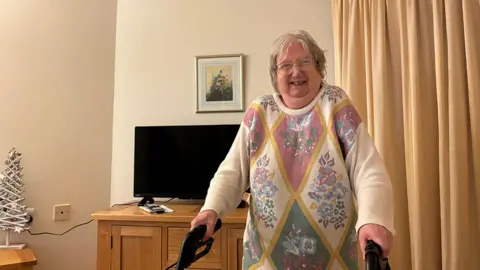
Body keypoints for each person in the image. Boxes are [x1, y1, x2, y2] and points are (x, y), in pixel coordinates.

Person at [191, 29, 395, 269]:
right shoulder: (260, 111)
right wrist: (211, 209)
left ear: (320, 69)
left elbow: (367, 168)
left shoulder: (336, 104)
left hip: (332, 258)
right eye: (285, 65)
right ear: (275, 76)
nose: (296, 71)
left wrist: (373, 219)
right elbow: (232, 172)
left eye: (305, 62)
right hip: (267, 259)